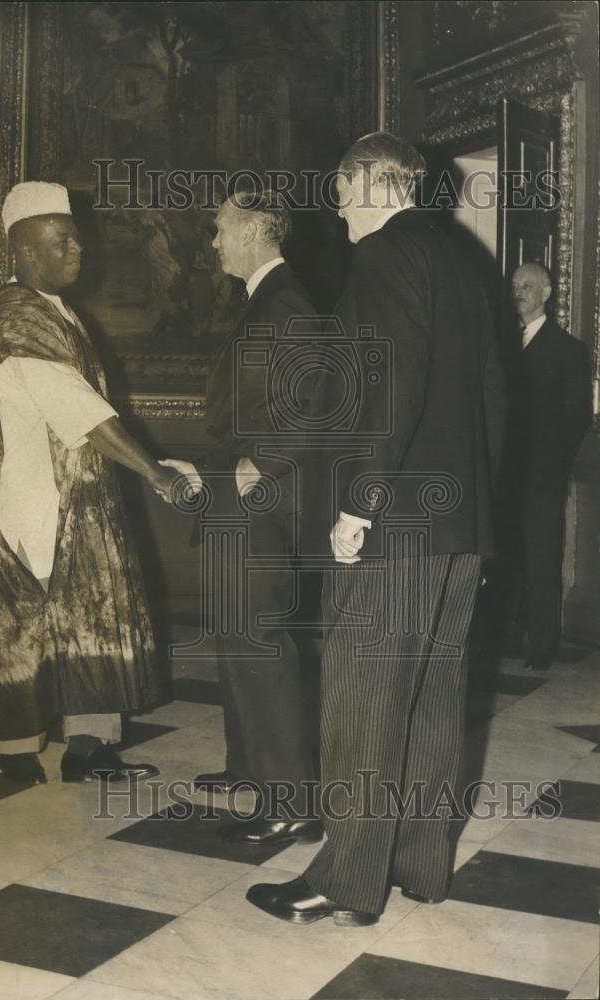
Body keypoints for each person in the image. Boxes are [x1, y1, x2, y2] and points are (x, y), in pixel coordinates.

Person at [247, 132, 506, 924]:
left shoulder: (386, 256)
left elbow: (383, 388)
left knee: (363, 698)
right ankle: (419, 865)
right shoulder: (465, 261)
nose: (334, 208)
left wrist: (357, 505)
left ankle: (346, 881)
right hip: (457, 524)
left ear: (368, 184)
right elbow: (493, 398)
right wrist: (480, 525)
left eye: (337, 189)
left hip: (392, 520)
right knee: (430, 699)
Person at [0, 181, 181, 784]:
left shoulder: (56, 310)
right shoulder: (19, 321)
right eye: (61, 240)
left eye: (75, 237)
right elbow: (81, 412)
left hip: (74, 497)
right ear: (24, 251)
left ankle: (89, 748)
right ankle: (17, 753)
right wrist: (156, 473)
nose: (77, 248)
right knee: (29, 621)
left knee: (88, 612)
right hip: (32, 501)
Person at [194, 189, 321, 846]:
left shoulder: (287, 303)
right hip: (235, 493)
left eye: (219, 229)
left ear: (249, 232)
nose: (213, 242)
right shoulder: (261, 301)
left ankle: (291, 798)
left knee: (259, 640)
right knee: (234, 632)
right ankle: (249, 763)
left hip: (260, 501)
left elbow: (315, 402)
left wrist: (258, 465)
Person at [503, 262, 592, 670]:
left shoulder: (568, 350)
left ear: (547, 292)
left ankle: (541, 644)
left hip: (542, 476)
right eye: (515, 285)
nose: (518, 291)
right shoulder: (503, 345)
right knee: (508, 558)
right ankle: (507, 637)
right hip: (505, 474)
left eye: (527, 285)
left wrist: (550, 464)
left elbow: (574, 420)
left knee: (541, 558)